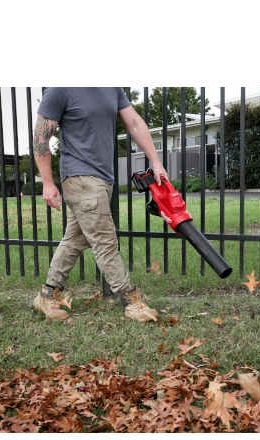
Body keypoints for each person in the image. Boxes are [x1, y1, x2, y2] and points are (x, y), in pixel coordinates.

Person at [32, 87, 168, 323]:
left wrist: (156, 162)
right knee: (105, 240)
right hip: (80, 178)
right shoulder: (61, 89)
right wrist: (47, 183)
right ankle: (130, 300)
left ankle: (47, 293)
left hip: (103, 179)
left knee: (75, 239)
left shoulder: (112, 87)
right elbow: (41, 136)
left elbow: (135, 123)